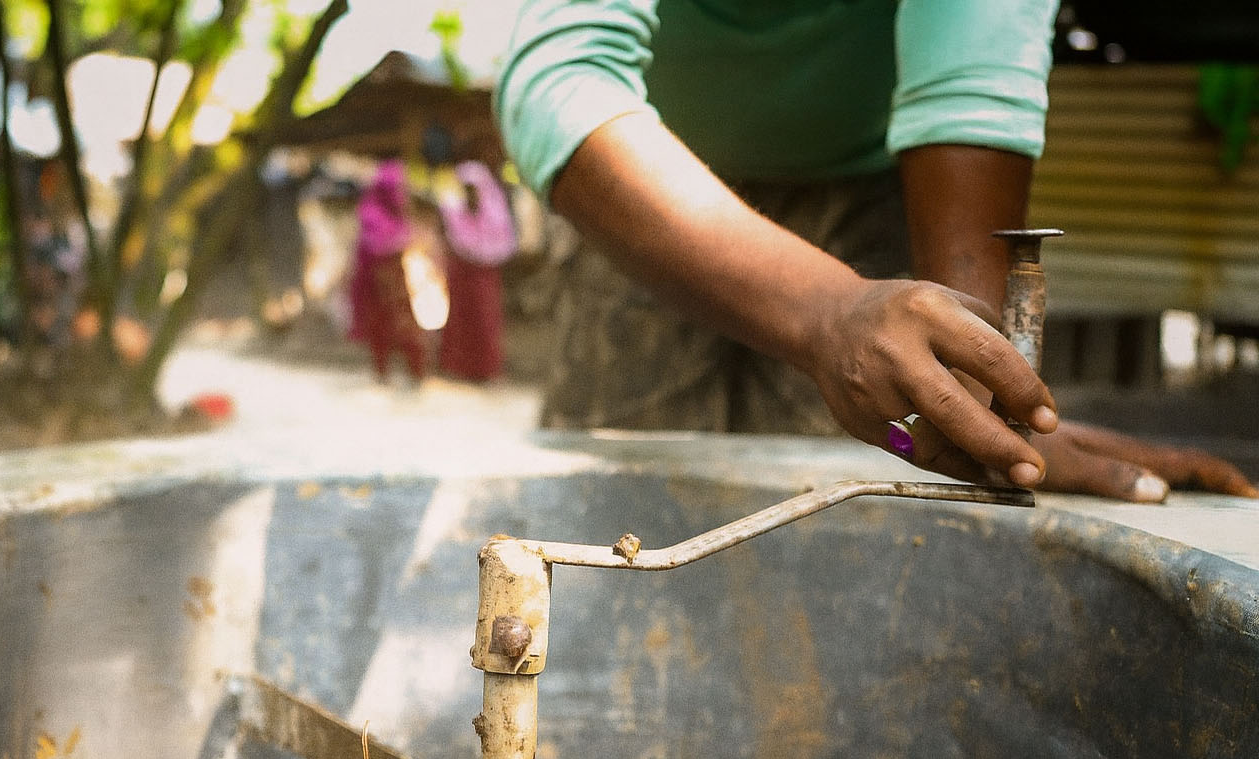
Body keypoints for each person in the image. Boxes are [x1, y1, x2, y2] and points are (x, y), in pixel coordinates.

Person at [495, 0, 1257, 501]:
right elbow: (564, 75)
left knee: (852, 523)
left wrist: (984, 416)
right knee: (614, 516)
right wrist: (827, 311)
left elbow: (970, 79)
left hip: (873, 194)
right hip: (640, 189)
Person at [436, 160, 518, 381]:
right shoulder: (453, 209)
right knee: (461, 320)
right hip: (461, 272)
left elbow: (500, 242)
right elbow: (451, 237)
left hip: (485, 274)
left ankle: (487, 368)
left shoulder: (494, 210)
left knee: (485, 319)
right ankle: (458, 366)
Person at [349, 159, 428, 383]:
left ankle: (416, 372)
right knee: (382, 326)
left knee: (405, 325)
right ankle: (382, 371)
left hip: (395, 278)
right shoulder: (371, 211)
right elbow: (381, 245)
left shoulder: (397, 211)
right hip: (376, 279)